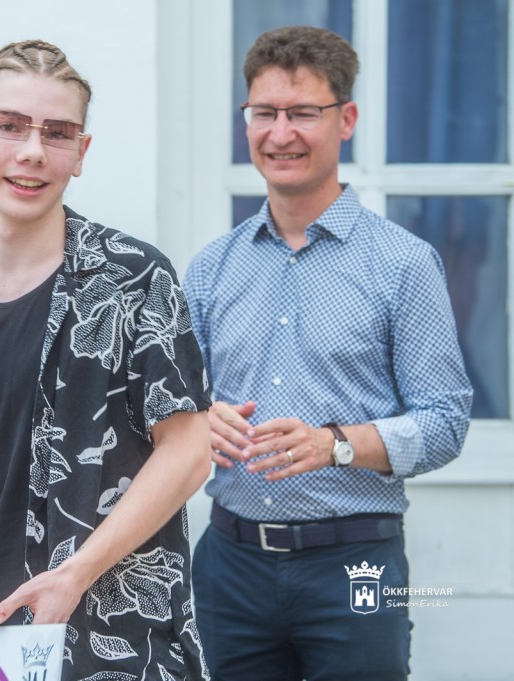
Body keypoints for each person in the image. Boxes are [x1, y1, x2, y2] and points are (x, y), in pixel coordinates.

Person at [0, 39, 212, 681]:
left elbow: (188, 452)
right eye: (10, 126)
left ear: (81, 152)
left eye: (57, 132)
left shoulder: (135, 279)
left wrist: (77, 572)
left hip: (114, 643)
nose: (32, 151)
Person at [182, 26, 473, 681]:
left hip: (357, 564)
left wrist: (336, 444)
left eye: (303, 113)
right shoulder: (210, 269)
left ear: (346, 120)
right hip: (230, 565)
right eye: (264, 112)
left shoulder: (403, 265)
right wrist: (201, 423)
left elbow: (447, 422)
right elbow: (177, 415)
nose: (280, 133)